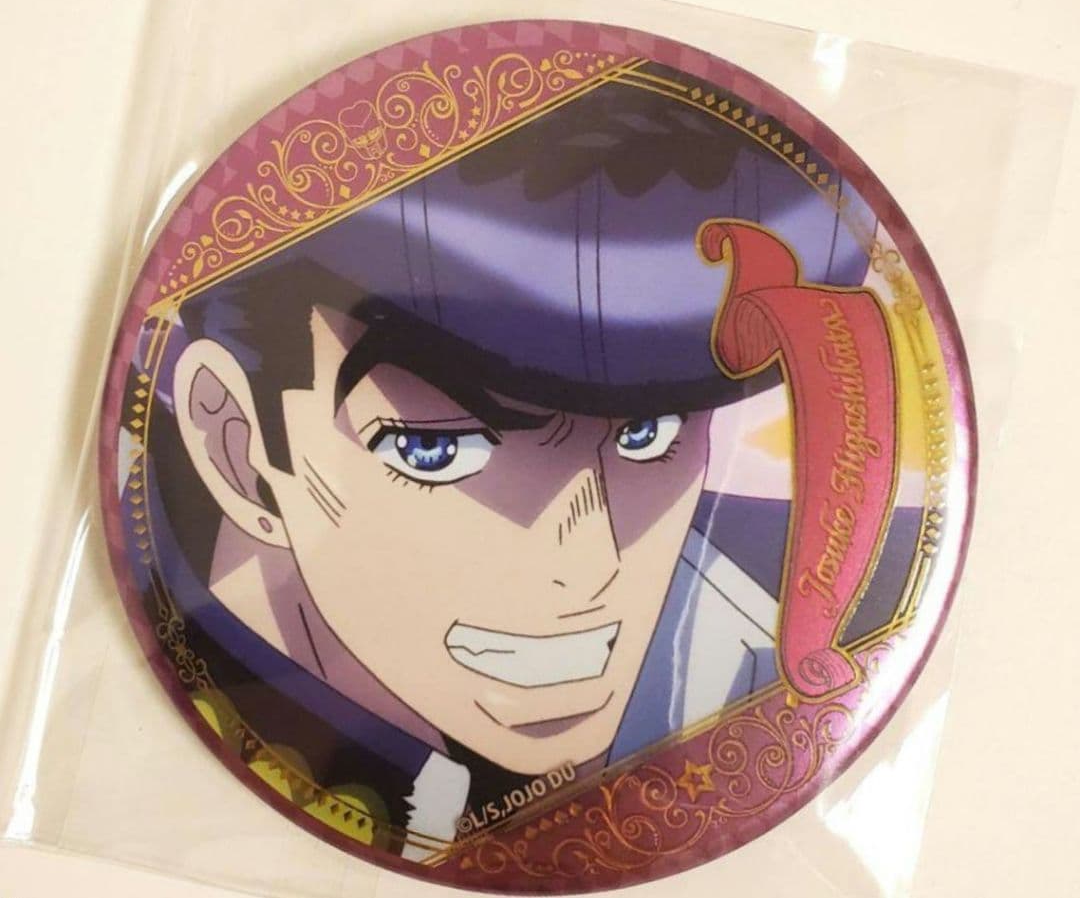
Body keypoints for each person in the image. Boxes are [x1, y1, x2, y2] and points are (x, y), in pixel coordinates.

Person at [132, 79, 914, 856]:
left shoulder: (754, 659)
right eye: (435, 451)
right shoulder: (155, 748)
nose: (589, 566)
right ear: (237, 448)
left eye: (646, 434)